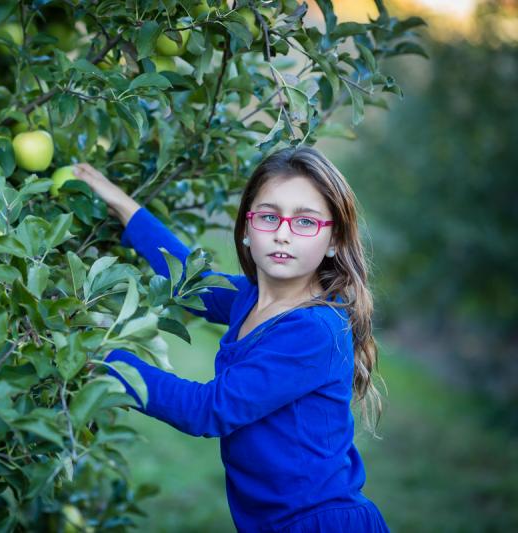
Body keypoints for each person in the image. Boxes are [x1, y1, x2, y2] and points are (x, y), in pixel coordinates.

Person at [72, 146, 389, 533]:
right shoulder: (251, 298)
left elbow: (208, 409)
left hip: (320, 523)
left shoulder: (314, 330)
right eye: (269, 217)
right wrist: (123, 205)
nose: (283, 234)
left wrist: (105, 359)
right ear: (246, 230)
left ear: (334, 240)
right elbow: (191, 280)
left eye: (305, 222)